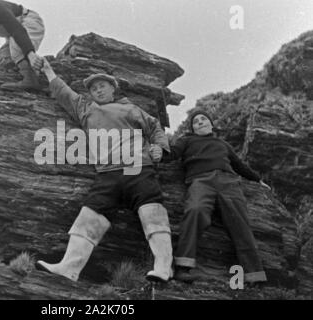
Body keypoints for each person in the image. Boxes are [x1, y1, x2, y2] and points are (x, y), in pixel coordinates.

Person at [35, 58, 174, 283]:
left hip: (137, 168)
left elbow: (155, 127)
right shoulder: (86, 109)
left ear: (113, 89)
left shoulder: (131, 109)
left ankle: (164, 268)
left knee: (152, 212)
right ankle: (69, 269)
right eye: (93, 88)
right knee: (90, 214)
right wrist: (48, 71)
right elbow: (63, 92)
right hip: (107, 173)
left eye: (102, 86)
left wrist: (159, 147)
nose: (98, 90)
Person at [165, 110, 270, 284]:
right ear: (192, 128)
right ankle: (183, 267)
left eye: (203, 119)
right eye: (195, 121)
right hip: (201, 181)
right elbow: (173, 153)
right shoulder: (186, 141)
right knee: (195, 210)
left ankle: (255, 276)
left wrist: (258, 180)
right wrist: (157, 154)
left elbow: (239, 165)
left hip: (228, 182)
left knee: (240, 224)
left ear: (211, 124)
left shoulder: (223, 144)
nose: (199, 122)